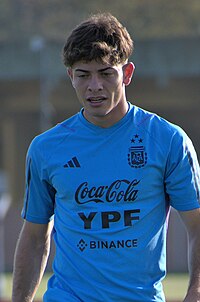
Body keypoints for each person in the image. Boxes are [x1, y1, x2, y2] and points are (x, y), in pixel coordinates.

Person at [12, 12, 200, 302]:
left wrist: (195, 292)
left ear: (126, 74)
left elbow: (197, 225)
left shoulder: (168, 140)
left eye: (106, 73)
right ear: (70, 76)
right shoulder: (46, 149)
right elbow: (35, 237)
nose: (94, 86)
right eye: (83, 75)